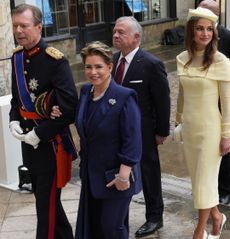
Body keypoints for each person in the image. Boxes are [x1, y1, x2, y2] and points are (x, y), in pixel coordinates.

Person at [52, 41, 142, 239]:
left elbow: (133, 140)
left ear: (109, 67)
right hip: (91, 175)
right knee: (93, 227)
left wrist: (123, 176)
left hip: (116, 178)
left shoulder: (124, 97)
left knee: (112, 228)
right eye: (88, 67)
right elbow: (82, 119)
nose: (93, 72)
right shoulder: (85, 92)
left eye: (99, 66)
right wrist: (58, 111)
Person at [9, 4, 78, 239]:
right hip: (28, 145)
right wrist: (13, 121)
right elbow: (16, 101)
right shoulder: (17, 57)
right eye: (15, 25)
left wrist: (40, 133)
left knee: (44, 208)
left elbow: (69, 108)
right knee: (44, 199)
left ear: (39, 27)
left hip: (50, 145)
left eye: (24, 26)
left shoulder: (55, 61)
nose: (19, 30)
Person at [112, 16, 170, 237]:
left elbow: (162, 101)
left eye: (121, 32)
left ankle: (155, 217)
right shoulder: (112, 60)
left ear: (136, 38)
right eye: (115, 32)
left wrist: (161, 131)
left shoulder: (151, 64)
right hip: (116, 130)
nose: (116, 36)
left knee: (149, 173)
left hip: (143, 131)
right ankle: (118, 212)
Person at [175, 6, 230, 239]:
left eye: (209, 29)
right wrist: (178, 122)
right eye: (200, 29)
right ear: (192, 31)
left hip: (211, 131)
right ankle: (217, 216)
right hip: (190, 129)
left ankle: (200, 232)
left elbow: (227, 102)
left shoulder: (220, 61)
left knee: (205, 182)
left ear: (214, 33)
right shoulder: (182, 58)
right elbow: (182, 94)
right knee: (199, 181)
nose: (205, 34)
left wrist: (227, 134)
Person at [199, 0, 230, 205]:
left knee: (224, 146)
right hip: (204, 98)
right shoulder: (197, 35)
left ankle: (225, 189)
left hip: (223, 98)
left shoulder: (226, 36)